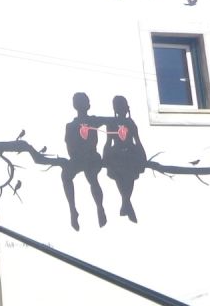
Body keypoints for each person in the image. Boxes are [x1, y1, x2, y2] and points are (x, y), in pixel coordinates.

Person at [62, 92, 107, 231]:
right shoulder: (72, 125)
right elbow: (69, 146)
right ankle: (73, 209)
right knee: (68, 176)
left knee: (92, 178)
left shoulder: (91, 121)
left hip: (90, 158)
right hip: (81, 158)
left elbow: (111, 121)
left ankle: (99, 207)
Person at [103, 94, 147, 223]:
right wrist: (105, 156)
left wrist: (142, 155)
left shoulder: (130, 123)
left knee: (129, 174)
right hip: (116, 154)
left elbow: (137, 140)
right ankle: (127, 203)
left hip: (130, 154)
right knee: (119, 174)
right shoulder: (112, 124)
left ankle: (126, 203)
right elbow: (108, 141)